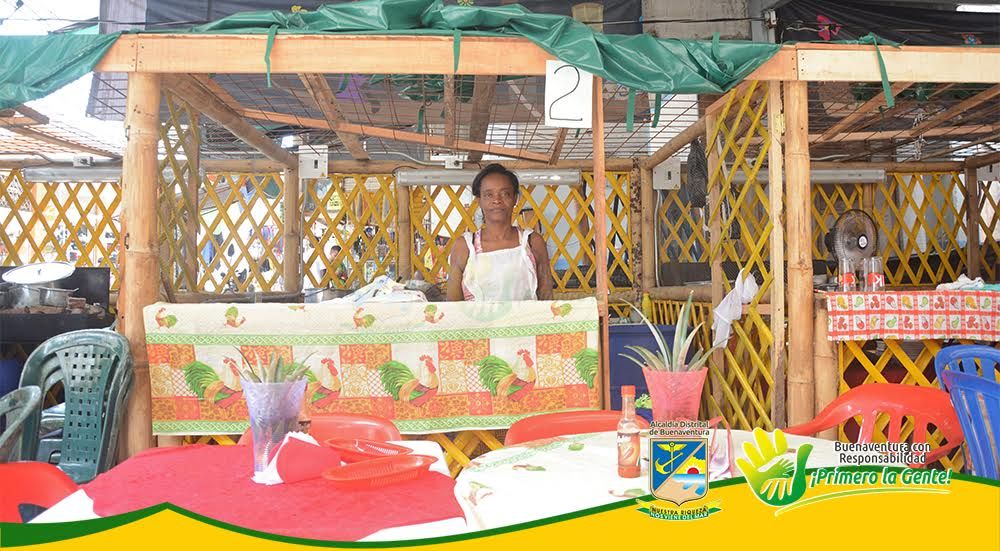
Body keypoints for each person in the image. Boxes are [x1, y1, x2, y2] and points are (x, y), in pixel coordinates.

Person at [447, 163, 553, 301]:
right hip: (476, 316)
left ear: (515, 198)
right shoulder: (465, 246)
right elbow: (453, 305)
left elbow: (546, 298)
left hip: (526, 316)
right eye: (489, 195)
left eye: (505, 194)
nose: (497, 200)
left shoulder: (532, 242)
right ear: (479, 200)